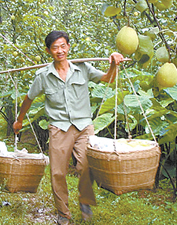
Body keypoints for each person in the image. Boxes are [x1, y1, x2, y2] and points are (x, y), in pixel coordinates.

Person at [13, 31, 124, 225]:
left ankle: (85, 202)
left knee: (86, 166)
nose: (60, 50)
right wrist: (19, 120)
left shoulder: (83, 68)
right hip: (59, 127)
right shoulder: (43, 76)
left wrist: (113, 64)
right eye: (55, 47)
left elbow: (108, 79)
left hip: (83, 126)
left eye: (63, 46)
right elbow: (29, 98)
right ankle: (63, 214)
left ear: (68, 47)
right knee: (57, 172)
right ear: (48, 51)